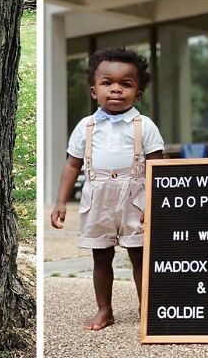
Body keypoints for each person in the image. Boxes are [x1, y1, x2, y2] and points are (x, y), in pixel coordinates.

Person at [51, 48, 164, 330]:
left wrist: (153, 203)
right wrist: (60, 202)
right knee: (101, 256)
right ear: (93, 90)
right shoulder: (85, 127)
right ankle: (104, 310)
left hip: (135, 195)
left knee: (140, 254)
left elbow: (157, 169)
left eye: (126, 84)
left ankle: (146, 308)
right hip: (97, 195)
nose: (116, 90)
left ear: (138, 94)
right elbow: (72, 166)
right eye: (107, 83)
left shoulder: (145, 126)